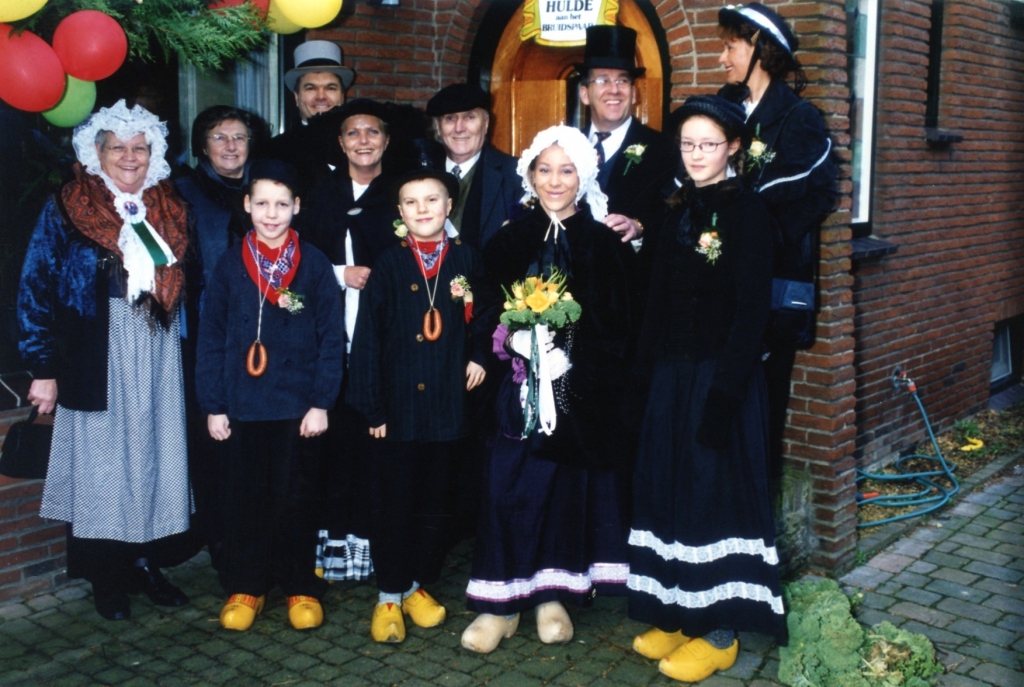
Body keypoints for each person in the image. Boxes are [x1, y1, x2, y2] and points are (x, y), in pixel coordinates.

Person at [625, 95, 785, 683]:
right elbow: (656, 301)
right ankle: (676, 611)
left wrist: (726, 395)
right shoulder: (676, 209)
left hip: (720, 378)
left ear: (733, 147)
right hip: (672, 376)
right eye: (688, 144)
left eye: (708, 145)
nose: (696, 155)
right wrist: (643, 377)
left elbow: (751, 311)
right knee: (668, 488)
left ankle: (719, 633)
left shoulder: (749, 213)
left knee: (711, 494)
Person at [18, 100, 195, 621]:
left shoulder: (169, 203)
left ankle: (146, 562)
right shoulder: (68, 204)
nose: (129, 156)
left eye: (140, 147)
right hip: (95, 350)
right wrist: (43, 367)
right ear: (96, 153)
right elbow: (35, 283)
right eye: (117, 147)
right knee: (102, 463)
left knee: (155, 454)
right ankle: (106, 574)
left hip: (158, 344)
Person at [461, 126, 635, 654]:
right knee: (506, 485)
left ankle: (551, 595)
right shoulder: (508, 240)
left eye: (566, 170)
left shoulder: (603, 244)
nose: (555, 181)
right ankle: (501, 602)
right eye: (544, 169)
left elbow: (620, 320)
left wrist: (571, 352)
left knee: (563, 489)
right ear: (530, 176)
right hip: (515, 389)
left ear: (583, 176)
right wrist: (511, 338)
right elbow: (484, 305)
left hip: (577, 394)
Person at [195, 159, 344, 631]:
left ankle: (300, 584)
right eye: (262, 203)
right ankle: (248, 585)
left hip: (298, 407)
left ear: (296, 206)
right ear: (247, 205)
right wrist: (214, 405)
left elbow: (331, 338)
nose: (271, 214)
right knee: (245, 498)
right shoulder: (229, 263)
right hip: (242, 405)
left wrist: (321, 402)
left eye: (281, 204)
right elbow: (211, 337)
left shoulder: (314, 264)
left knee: (296, 496)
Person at [347, 168, 491, 643]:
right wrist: (373, 409)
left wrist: (479, 355)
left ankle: (416, 584)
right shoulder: (389, 264)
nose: (423, 209)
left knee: (437, 501)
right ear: (400, 212)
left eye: (433, 200)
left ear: (449, 207)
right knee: (395, 501)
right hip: (398, 411)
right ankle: (389, 592)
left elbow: (486, 317)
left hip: (449, 408)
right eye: (412, 202)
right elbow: (368, 339)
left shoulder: (467, 259)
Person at [716, 2, 838, 486]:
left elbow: (820, 193)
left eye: (730, 47)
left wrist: (760, 238)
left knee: (762, 408)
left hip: (768, 293)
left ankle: (756, 514)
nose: (722, 58)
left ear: (759, 50)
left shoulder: (798, 117)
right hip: (717, 289)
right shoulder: (722, 106)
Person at [302, 98, 399, 584]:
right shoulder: (320, 196)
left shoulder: (401, 195)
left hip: (383, 342)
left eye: (372, 132)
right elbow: (298, 261)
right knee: (335, 448)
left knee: (376, 449)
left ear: (386, 140)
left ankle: (377, 549)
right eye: (353, 133)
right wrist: (342, 274)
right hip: (330, 341)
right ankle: (333, 550)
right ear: (341, 143)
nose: (364, 140)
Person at [175, 105, 267, 575]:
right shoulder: (182, 191)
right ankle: (224, 550)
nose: (231, 146)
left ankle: (262, 545)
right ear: (202, 145)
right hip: (205, 335)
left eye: (239, 137)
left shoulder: (265, 190)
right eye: (219, 137)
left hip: (263, 332)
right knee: (214, 442)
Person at [576, 25, 676, 250]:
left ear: (633, 93)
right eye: (602, 80)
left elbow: (672, 217)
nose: (614, 90)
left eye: (622, 81)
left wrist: (639, 226)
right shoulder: (566, 146)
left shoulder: (664, 150)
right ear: (584, 94)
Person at [424, 83, 521, 250]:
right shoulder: (420, 173)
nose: (459, 128)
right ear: (438, 127)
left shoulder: (516, 175)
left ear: (486, 123)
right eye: (450, 118)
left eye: (469, 117)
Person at [267, 39, 355, 196]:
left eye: (330, 88)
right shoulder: (274, 151)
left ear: (342, 96)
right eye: (310, 88)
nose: (321, 97)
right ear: (297, 97)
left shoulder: (363, 144)